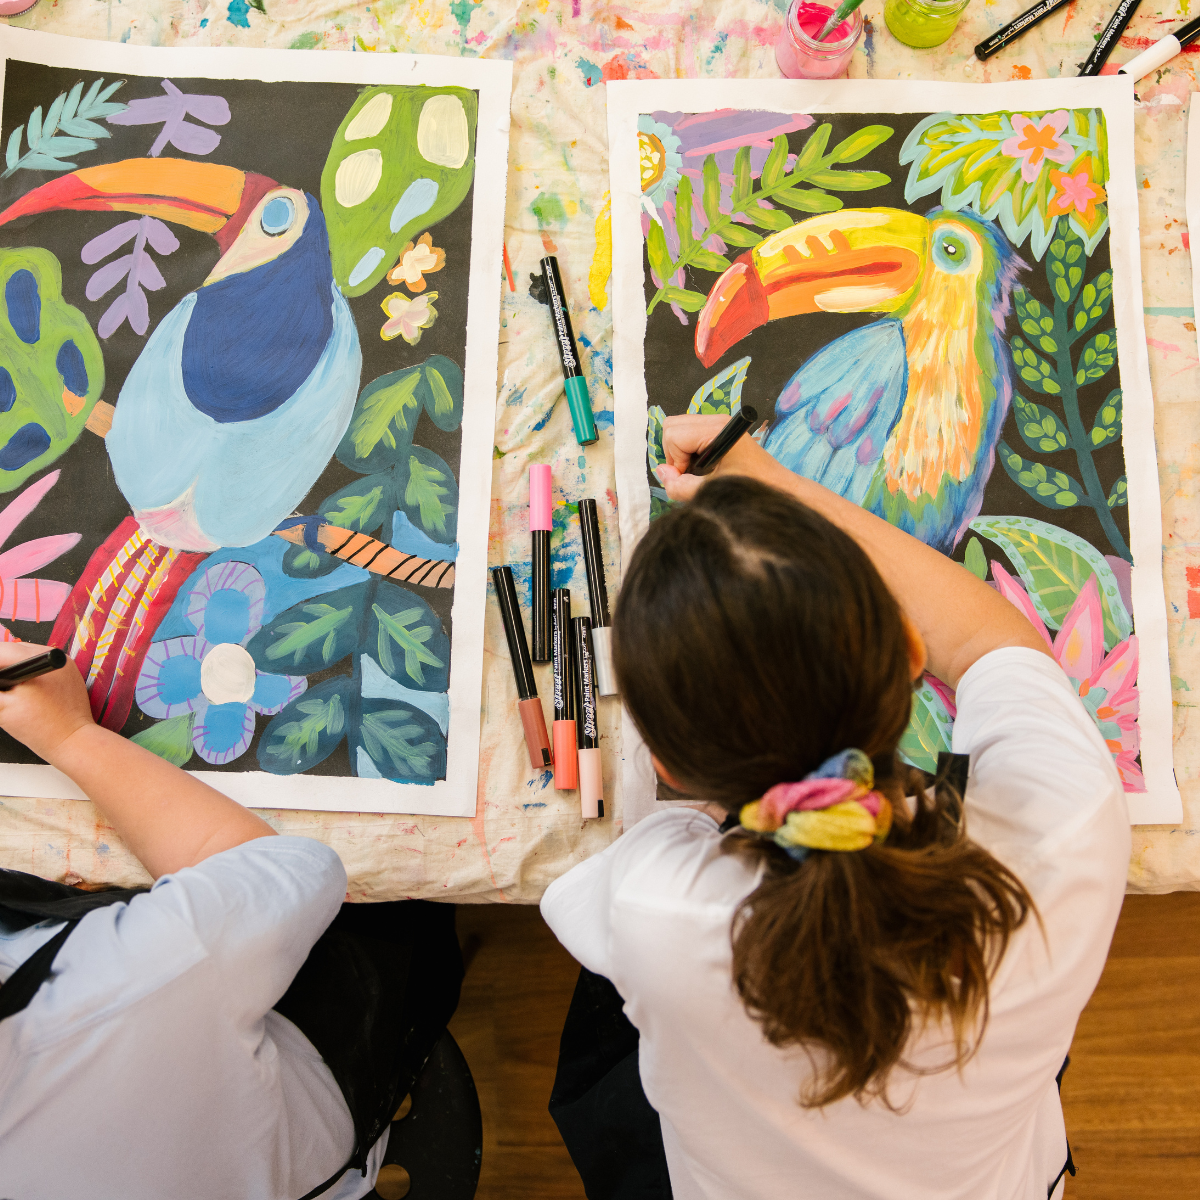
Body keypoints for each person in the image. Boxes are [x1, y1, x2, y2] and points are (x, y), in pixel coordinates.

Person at [542, 413, 1131, 1200]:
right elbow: (989, 641)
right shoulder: (1058, 840)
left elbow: (593, 906)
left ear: (668, 769)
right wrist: (775, 481)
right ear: (912, 659)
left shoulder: (661, 907)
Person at [0, 640, 461, 1199]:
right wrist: (70, 735)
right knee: (393, 902)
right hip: (322, 1072)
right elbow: (293, 870)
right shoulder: (104, 994)